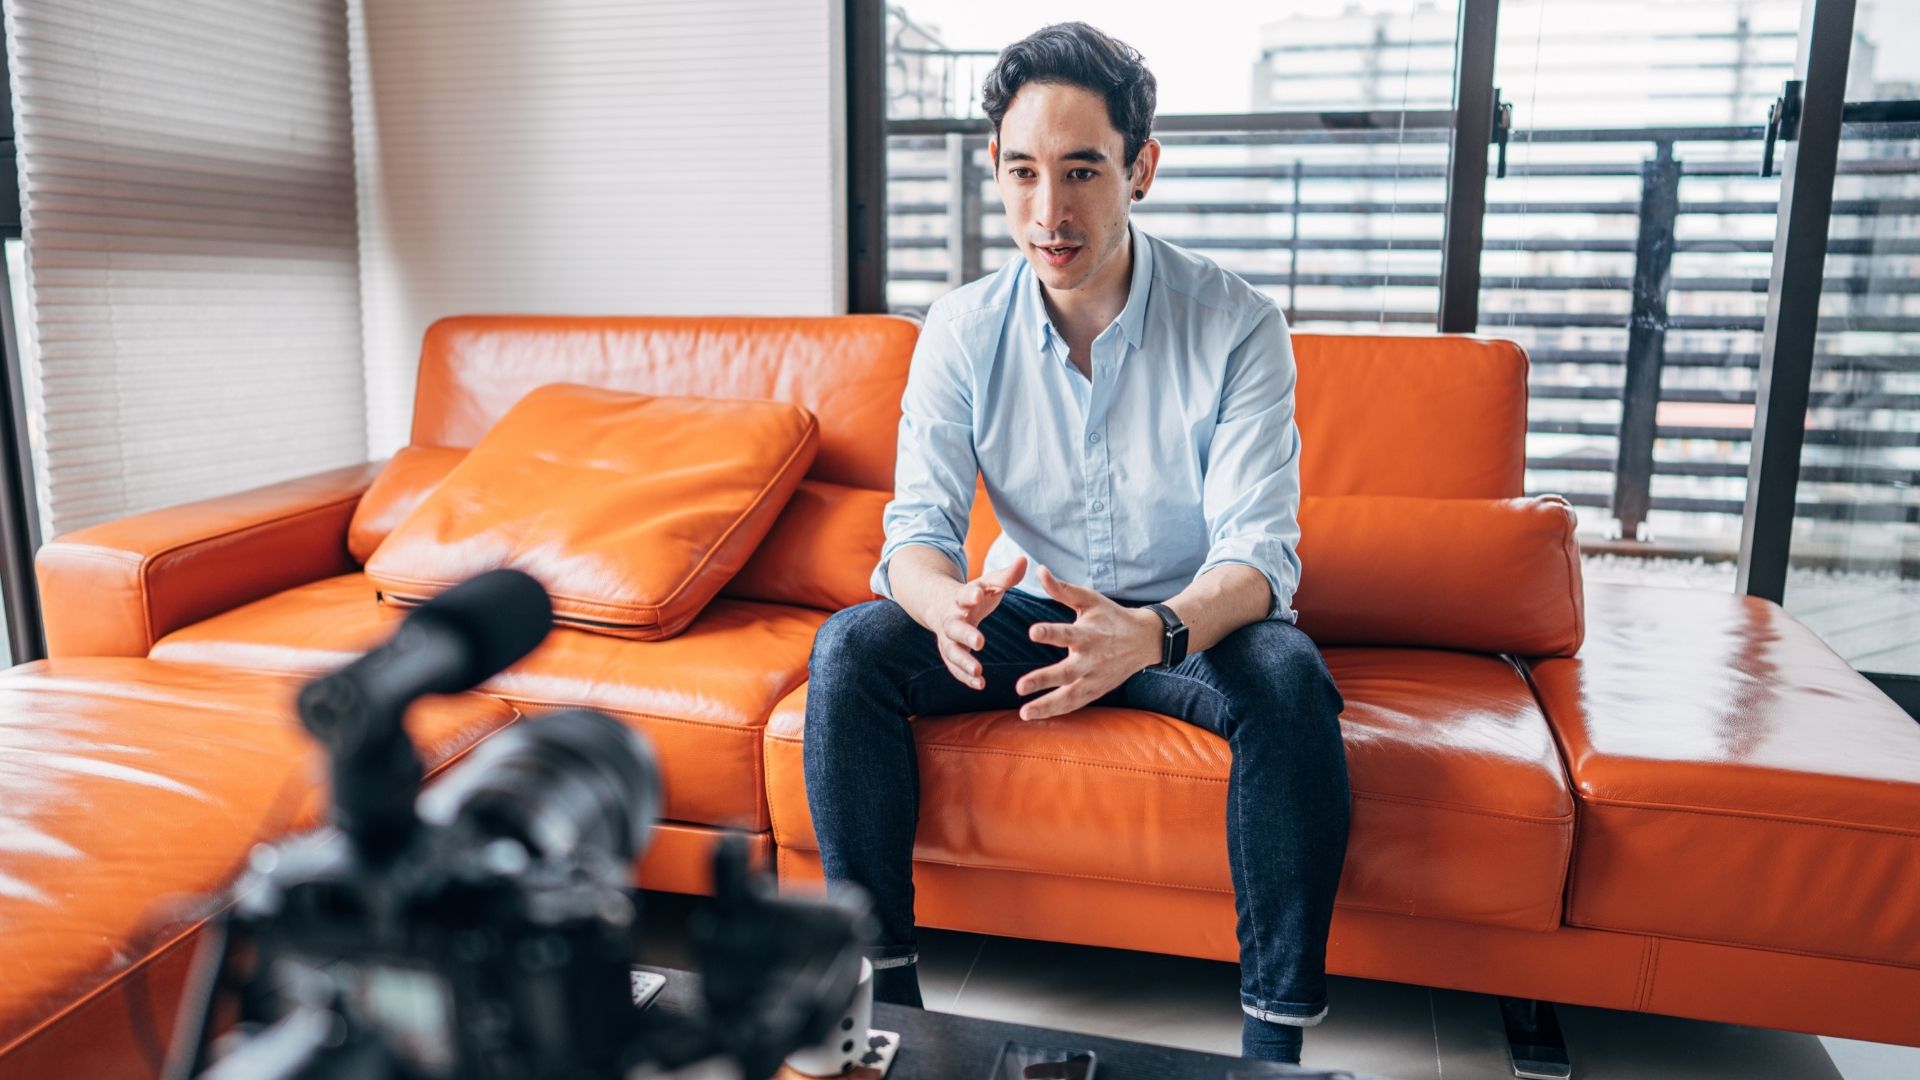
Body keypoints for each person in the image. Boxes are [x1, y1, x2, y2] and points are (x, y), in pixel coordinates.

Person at [802, 21, 1350, 1065]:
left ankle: (1272, 1040)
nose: (1048, 213)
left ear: (1140, 169)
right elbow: (913, 536)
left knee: (1290, 681)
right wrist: (940, 605)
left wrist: (1151, 634)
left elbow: (1260, 559)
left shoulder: (1235, 323)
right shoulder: (961, 329)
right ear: (995, 174)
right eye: (1022, 173)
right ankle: (891, 1003)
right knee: (850, 652)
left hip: (1187, 623)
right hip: (1035, 616)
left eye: (1083, 171)